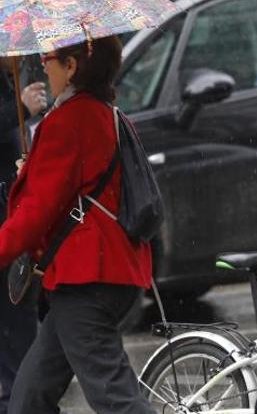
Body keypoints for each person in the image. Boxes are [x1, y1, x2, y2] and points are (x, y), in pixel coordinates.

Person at [0, 36, 154, 414]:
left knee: (116, 401)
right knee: (29, 397)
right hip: (101, 276)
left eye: (48, 58)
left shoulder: (69, 119)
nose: (43, 65)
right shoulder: (105, 111)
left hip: (87, 279)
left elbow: (36, 213)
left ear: (72, 66)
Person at [0, 60, 47, 414]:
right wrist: (20, 107)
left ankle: (20, 398)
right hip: (6, 223)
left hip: (14, 220)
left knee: (19, 314)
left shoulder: (7, 76)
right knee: (14, 318)